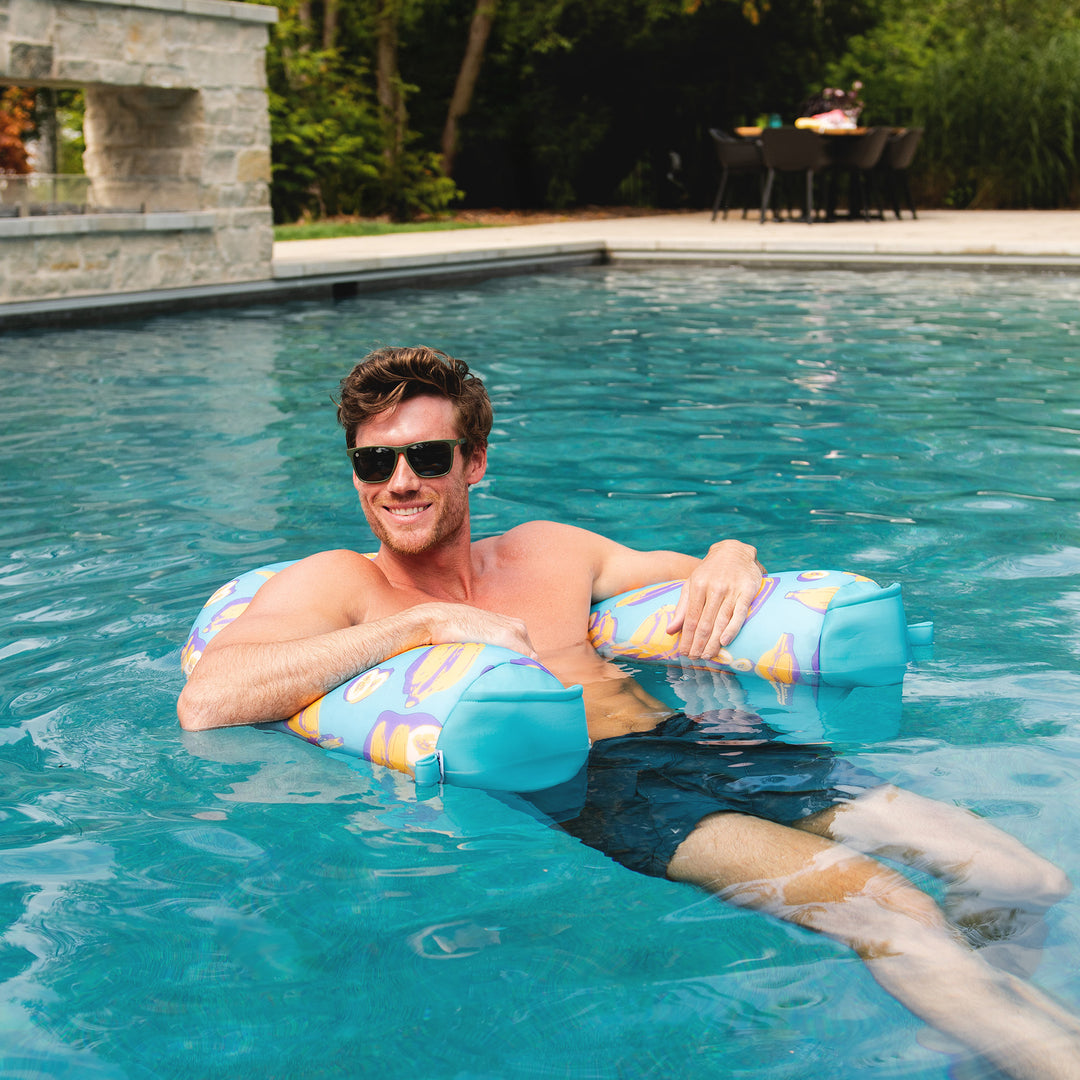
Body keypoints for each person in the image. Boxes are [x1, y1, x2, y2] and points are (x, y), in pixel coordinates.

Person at [178, 346, 1079, 1080]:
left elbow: (692, 571)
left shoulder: (547, 552)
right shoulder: (342, 582)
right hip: (610, 790)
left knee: (1021, 878)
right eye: (374, 462)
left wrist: (730, 549)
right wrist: (420, 623)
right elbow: (208, 699)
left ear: (475, 461)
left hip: (712, 743)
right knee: (893, 914)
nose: (399, 481)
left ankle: (982, 1040)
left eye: (428, 456)